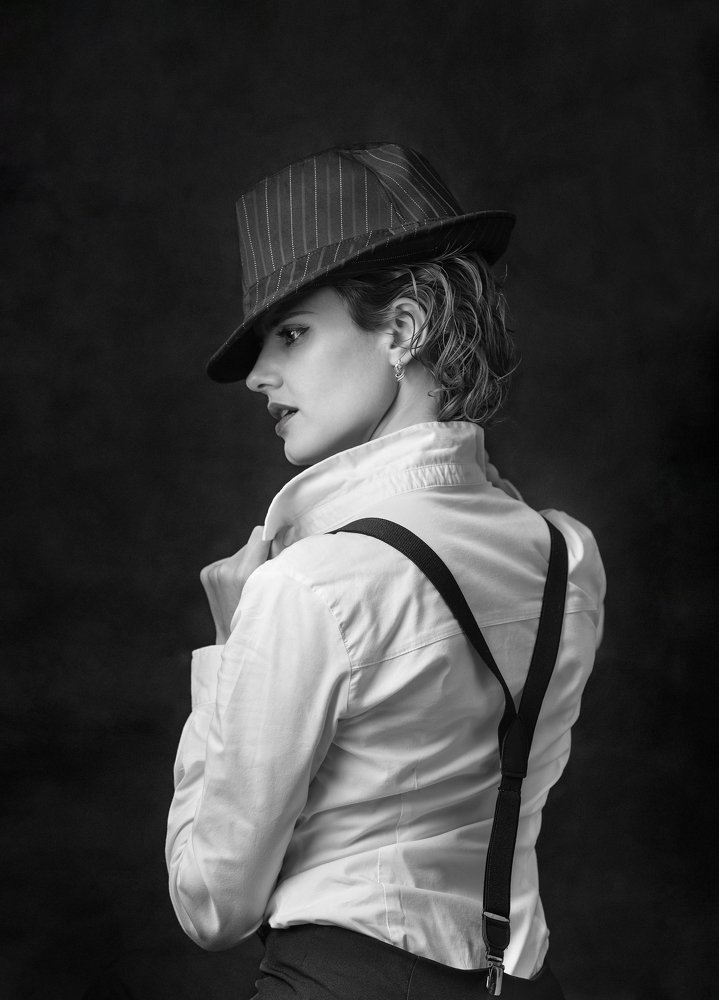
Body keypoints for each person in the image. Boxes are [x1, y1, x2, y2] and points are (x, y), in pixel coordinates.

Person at [164, 142, 606, 999]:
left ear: (401, 330)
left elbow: (210, 906)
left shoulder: (308, 585)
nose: (258, 375)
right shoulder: (566, 557)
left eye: (293, 333)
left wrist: (225, 652)